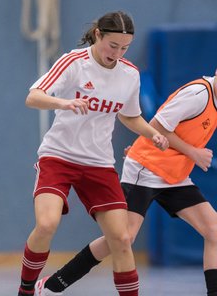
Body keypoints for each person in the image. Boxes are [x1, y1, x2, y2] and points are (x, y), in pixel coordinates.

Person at [17, 10, 169, 296]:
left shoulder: (130, 74)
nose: (118, 53)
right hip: (59, 157)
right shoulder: (73, 62)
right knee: (47, 224)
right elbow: (33, 97)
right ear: (98, 34)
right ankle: (26, 289)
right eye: (113, 45)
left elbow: (130, 116)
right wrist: (63, 104)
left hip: (98, 164)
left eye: (125, 47)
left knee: (122, 239)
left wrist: (153, 134)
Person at [36, 71, 217, 296]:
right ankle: (52, 285)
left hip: (174, 175)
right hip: (146, 168)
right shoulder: (198, 94)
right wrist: (193, 153)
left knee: (214, 230)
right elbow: (156, 126)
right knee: (123, 237)